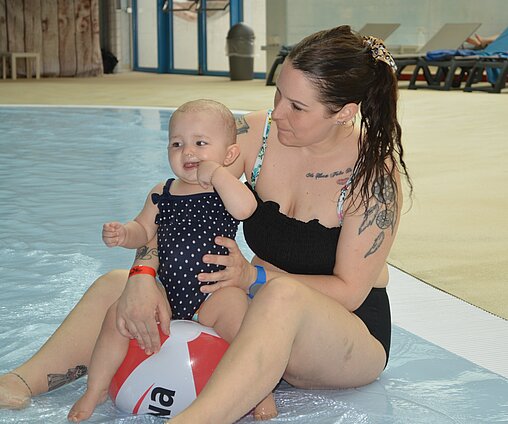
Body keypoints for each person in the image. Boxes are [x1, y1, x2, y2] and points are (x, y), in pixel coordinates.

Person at [0, 25, 412, 424]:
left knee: (281, 295)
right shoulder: (258, 136)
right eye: (279, 94)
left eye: (297, 107)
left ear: (345, 112)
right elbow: (176, 203)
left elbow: (350, 291)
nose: (279, 112)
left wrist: (253, 275)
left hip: (346, 335)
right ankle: (24, 380)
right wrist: (144, 273)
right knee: (119, 283)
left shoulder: (373, 175)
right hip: (252, 308)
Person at [66, 99, 277, 421]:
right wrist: (125, 233)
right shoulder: (161, 191)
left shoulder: (227, 190)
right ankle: (94, 389)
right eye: (176, 144)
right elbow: (143, 229)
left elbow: (245, 209)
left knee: (244, 327)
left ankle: (262, 391)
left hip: (215, 291)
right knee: (115, 318)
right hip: (166, 290)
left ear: (230, 154)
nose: (187, 152)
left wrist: (218, 175)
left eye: (200, 143)